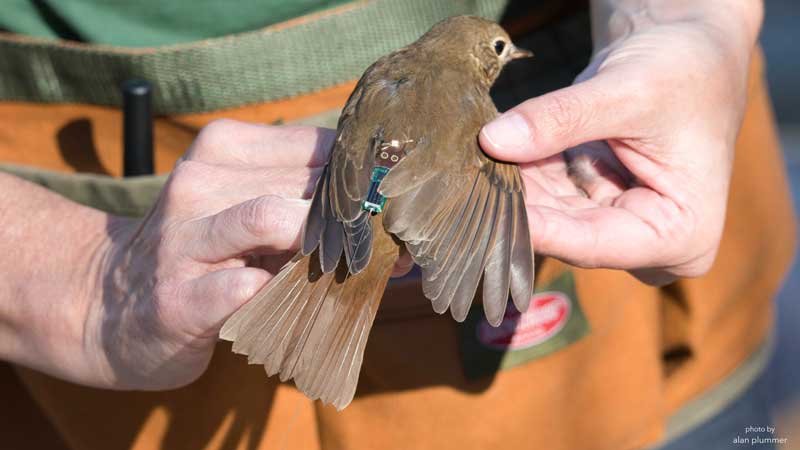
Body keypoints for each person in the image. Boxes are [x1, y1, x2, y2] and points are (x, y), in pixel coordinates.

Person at [0, 1, 795, 449]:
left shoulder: (385, 75)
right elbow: (477, 198)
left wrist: (686, 23)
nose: (500, 55)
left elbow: (363, 160)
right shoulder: (480, 113)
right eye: (496, 49)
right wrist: (71, 275)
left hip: (672, 356)